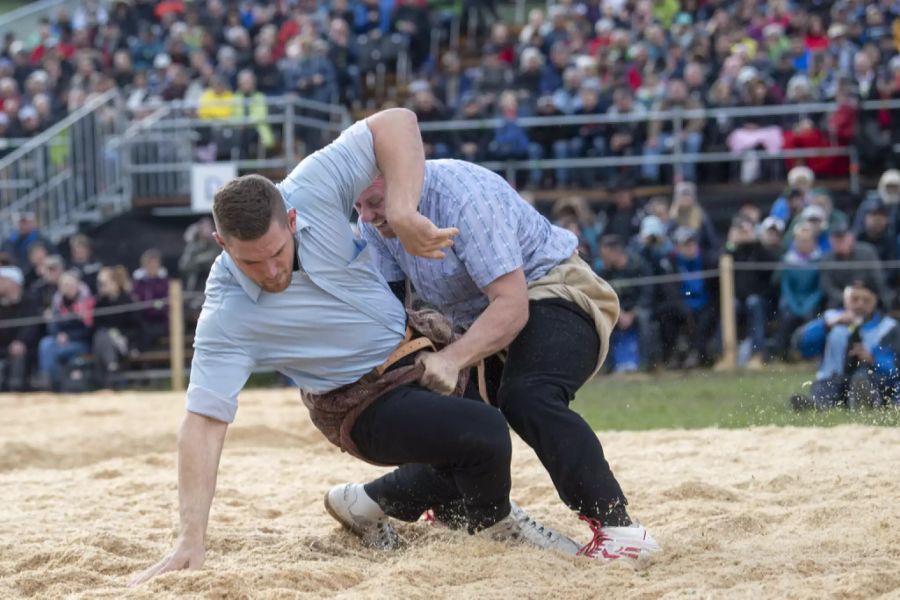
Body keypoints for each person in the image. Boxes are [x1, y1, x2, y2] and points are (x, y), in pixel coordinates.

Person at [130, 109, 580, 588]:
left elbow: (397, 122)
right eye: (250, 262)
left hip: (415, 354)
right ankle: (497, 531)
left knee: (476, 442)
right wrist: (189, 538)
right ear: (221, 243)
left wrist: (404, 211)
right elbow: (202, 424)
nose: (271, 272)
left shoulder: (312, 186)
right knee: (484, 432)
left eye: (277, 252)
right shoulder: (226, 313)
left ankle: (363, 505)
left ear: (293, 217)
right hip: (357, 404)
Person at [355, 159, 660, 557]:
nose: (366, 215)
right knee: (464, 435)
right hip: (480, 322)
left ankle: (619, 529)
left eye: (375, 202)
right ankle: (369, 502)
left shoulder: (463, 200)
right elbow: (391, 313)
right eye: (357, 206)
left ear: (402, 182)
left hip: (556, 292)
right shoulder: (374, 225)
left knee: (527, 396)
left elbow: (513, 307)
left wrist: (450, 360)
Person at [792, 281, 900, 410]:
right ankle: (816, 405)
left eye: (866, 300)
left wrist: (873, 359)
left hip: (871, 379)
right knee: (827, 386)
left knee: (863, 380)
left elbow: (894, 368)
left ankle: (866, 402)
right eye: (854, 299)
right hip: (833, 379)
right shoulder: (830, 319)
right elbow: (802, 345)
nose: (860, 304)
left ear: (875, 301)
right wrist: (827, 326)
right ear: (845, 300)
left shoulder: (888, 327)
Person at [37, 269, 94, 391]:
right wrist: (58, 334)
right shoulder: (57, 303)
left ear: (78, 285)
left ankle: (53, 382)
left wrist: (69, 336)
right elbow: (53, 328)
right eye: (64, 285)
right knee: (46, 343)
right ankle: (48, 378)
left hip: (81, 342)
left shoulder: (87, 302)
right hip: (60, 341)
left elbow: (89, 330)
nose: (67, 288)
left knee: (51, 352)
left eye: (70, 284)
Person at [819, 217, 890, 310]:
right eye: (836, 238)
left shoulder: (867, 252)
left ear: (851, 237)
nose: (840, 242)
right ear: (830, 240)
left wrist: (874, 298)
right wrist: (847, 298)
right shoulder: (827, 259)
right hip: (840, 304)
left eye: (843, 237)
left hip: (869, 300)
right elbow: (827, 286)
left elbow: (878, 279)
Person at [92, 265, 137, 389]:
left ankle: (109, 373)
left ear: (114, 283)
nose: (100, 287)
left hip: (124, 341)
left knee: (103, 336)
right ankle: (112, 366)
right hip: (105, 342)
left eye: (104, 283)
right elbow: (95, 325)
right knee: (102, 335)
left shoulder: (127, 300)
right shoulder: (100, 302)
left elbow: (134, 326)